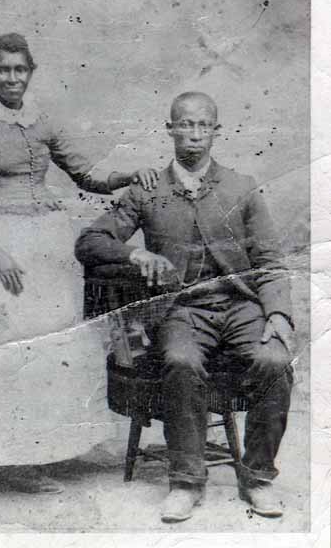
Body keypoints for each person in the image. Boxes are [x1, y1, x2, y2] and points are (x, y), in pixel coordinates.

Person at [0, 33, 158, 494]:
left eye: (19, 69)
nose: (11, 78)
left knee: (48, 351)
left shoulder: (42, 121)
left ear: (30, 72)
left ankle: (40, 452)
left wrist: (130, 175)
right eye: (2, 70)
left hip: (46, 245)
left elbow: (86, 175)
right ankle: (5, 459)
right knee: (7, 351)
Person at [75, 91, 295, 521]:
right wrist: (135, 254)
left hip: (240, 306)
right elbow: (90, 241)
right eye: (185, 124)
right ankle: (186, 481)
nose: (194, 134)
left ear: (216, 131)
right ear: (170, 129)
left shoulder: (241, 187)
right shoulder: (147, 190)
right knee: (179, 359)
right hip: (182, 310)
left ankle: (258, 477)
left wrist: (278, 314)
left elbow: (269, 260)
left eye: (203, 125)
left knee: (276, 359)